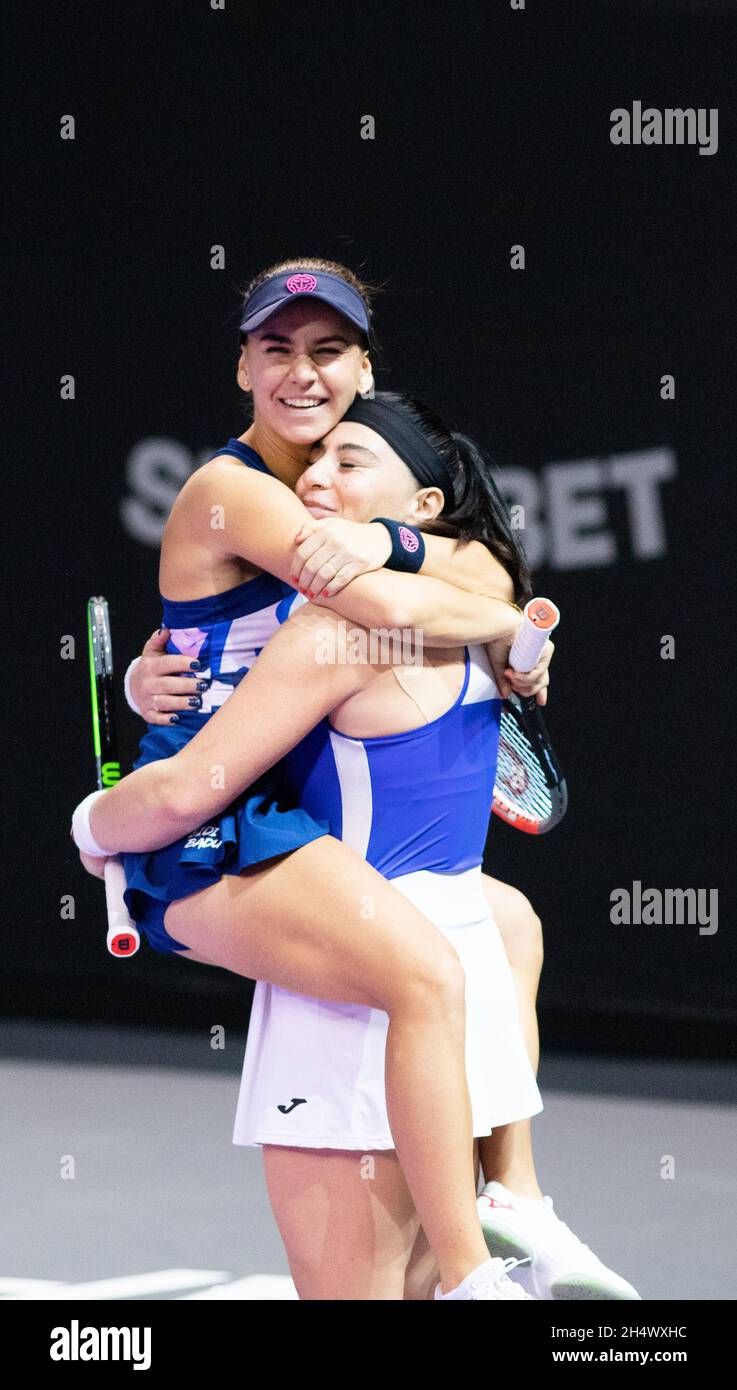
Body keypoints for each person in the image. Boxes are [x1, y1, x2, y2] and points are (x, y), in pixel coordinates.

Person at [118, 259, 637, 1300]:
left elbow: (475, 570)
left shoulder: (360, 481)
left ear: (361, 365)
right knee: (420, 970)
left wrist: (459, 577)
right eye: (276, 350)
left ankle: (512, 1198)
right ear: (242, 367)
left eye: (326, 352)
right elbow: (366, 587)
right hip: (217, 813)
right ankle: (470, 1273)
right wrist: (482, 605)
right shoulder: (233, 489)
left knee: (509, 922)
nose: (300, 374)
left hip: (287, 788)